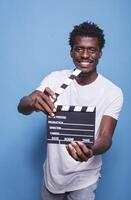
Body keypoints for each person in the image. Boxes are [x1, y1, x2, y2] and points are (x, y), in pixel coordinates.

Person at [18, 22, 123, 200]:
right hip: (53, 174)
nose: (84, 55)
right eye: (79, 49)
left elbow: (105, 137)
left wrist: (91, 150)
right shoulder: (55, 79)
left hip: (85, 177)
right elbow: (22, 106)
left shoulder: (112, 92)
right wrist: (32, 102)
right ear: (71, 52)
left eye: (92, 49)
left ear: (100, 53)